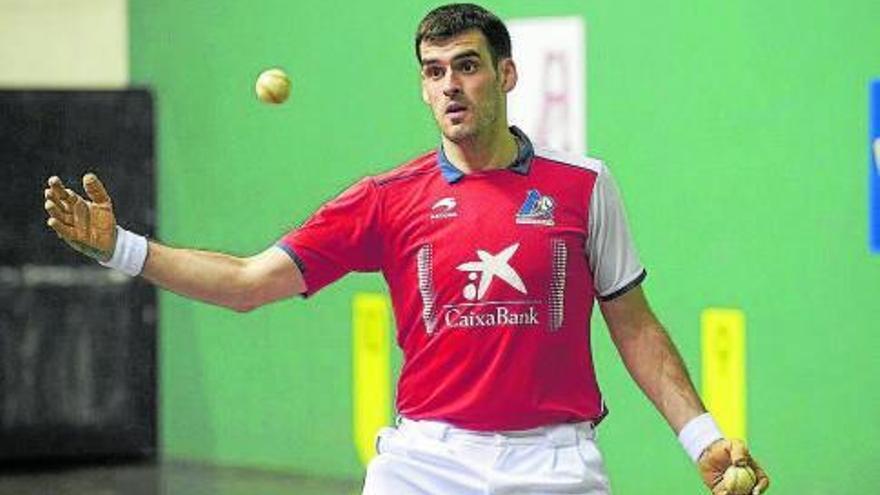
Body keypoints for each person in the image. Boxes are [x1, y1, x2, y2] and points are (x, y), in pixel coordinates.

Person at [43, 3, 770, 494]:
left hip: (554, 462)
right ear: (422, 87)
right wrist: (122, 247)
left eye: (467, 65)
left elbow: (634, 324)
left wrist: (701, 435)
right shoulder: (388, 198)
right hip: (427, 464)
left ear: (506, 75)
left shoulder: (584, 186)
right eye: (433, 71)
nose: (449, 85)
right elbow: (246, 280)